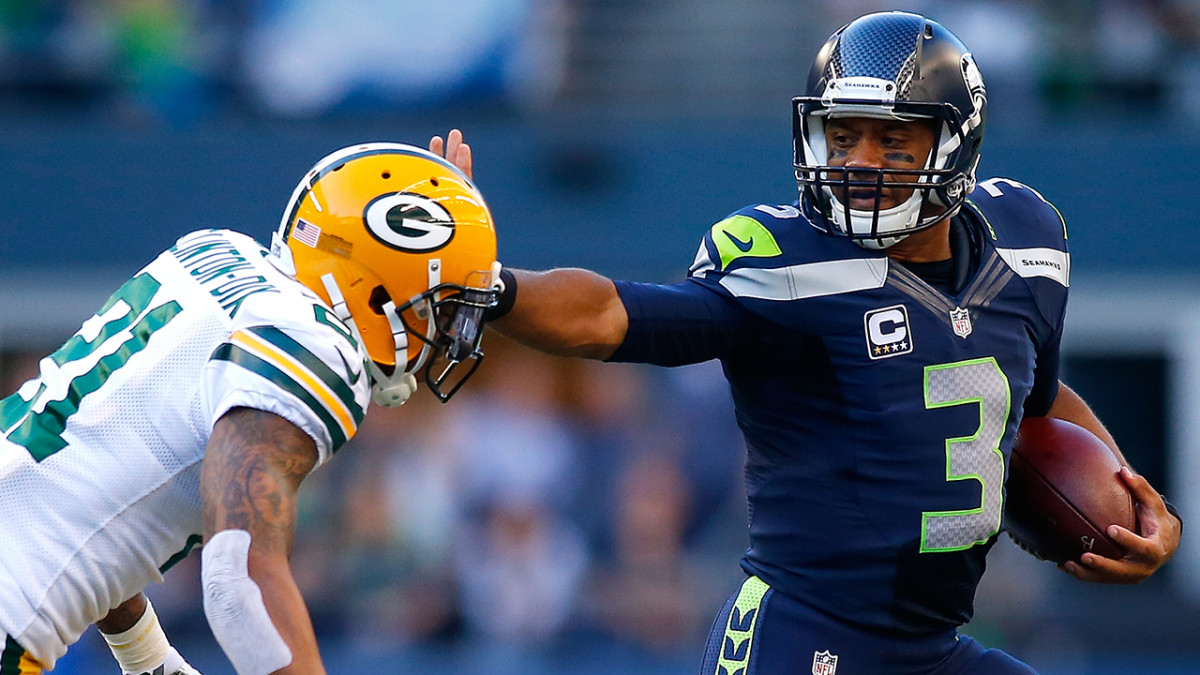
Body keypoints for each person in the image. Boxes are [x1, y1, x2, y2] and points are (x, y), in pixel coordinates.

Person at [431, 10, 1183, 674]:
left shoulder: (1026, 244)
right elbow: (608, 314)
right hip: (804, 640)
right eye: (843, 133)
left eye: (892, 138)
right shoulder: (791, 265)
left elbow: (1039, 404)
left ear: (954, 142)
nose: (858, 161)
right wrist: (491, 284)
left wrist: (1129, 509)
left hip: (934, 647)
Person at [0, 142, 499, 674]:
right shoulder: (312, 346)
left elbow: (81, 476)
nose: (447, 334)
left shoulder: (216, 252)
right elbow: (237, 573)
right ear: (378, 291)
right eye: (440, 306)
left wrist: (148, 657)